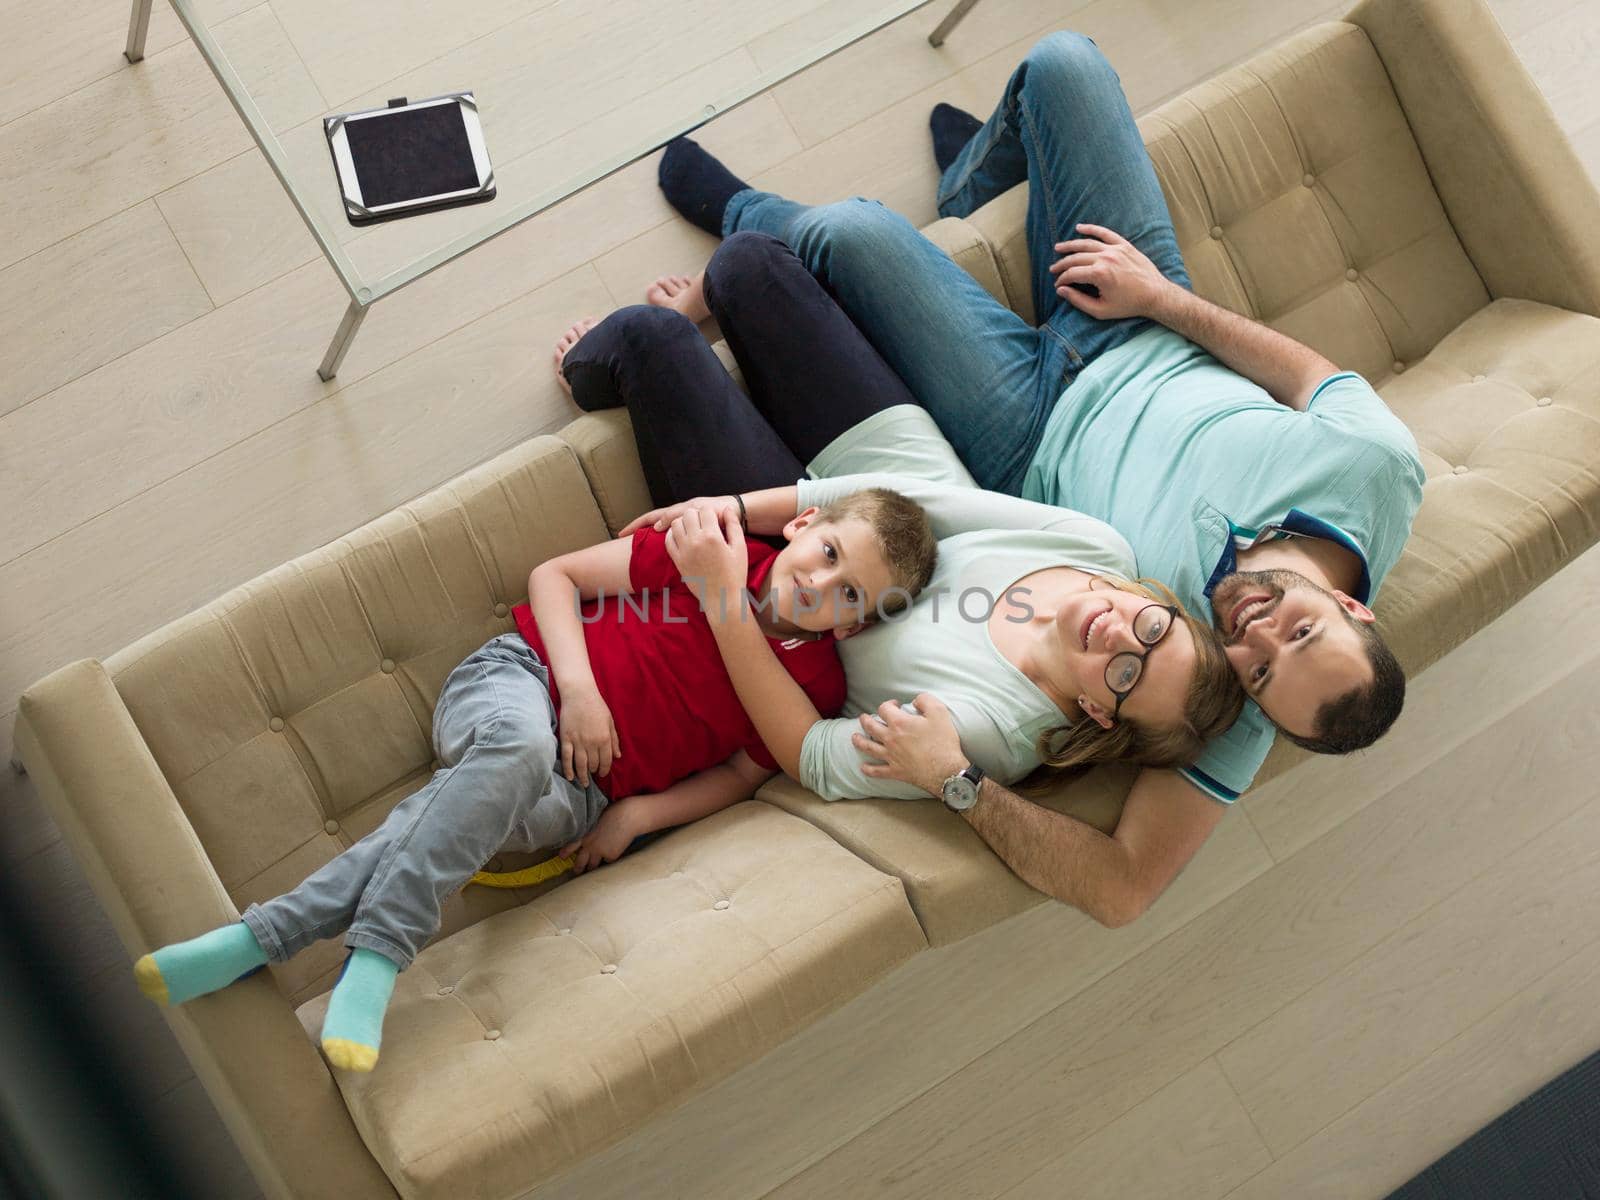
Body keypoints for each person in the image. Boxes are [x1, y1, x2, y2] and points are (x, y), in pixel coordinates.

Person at [646, 30, 1426, 924]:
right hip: (1136, 319)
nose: (1251, 634)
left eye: (1256, 670)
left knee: (845, 232)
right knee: (1066, 65)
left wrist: (962, 785)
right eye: (1299, 629)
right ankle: (975, 183)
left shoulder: (1207, 692)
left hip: (1016, 432)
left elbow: (1124, 890)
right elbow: (1309, 378)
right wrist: (1162, 299)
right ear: (1355, 609)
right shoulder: (1379, 473)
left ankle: (747, 210)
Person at [131, 482, 937, 1073]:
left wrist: (640, 815)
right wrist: (579, 690)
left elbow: (738, 772)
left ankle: (256, 938)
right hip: (522, 681)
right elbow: (557, 577)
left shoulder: (815, 689)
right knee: (512, 757)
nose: (820, 584)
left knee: (479, 812)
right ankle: (377, 954)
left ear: (859, 623)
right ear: (801, 525)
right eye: (827, 553)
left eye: (850, 594)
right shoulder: (708, 552)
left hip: (582, 794)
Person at [552, 232, 1243, 828]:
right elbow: (927, 499)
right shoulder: (1102, 552)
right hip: (876, 477)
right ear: (1163, 604)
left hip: (781, 575)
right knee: (746, 263)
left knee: (654, 340)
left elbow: (812, 758)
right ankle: (712, 318)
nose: (1123, 634)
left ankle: (595, 372)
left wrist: (725, 590)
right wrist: (737, 504)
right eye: (1154, 629)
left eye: (1127, 672)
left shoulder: (988, 735)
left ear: (1097, 710)